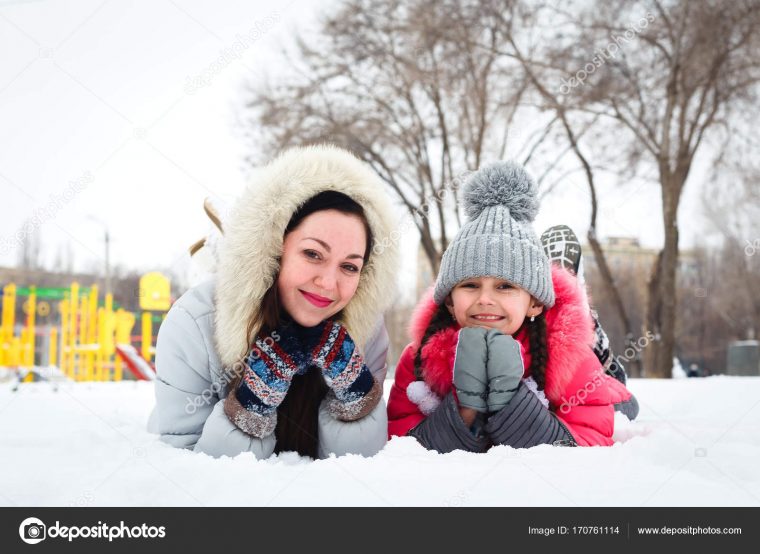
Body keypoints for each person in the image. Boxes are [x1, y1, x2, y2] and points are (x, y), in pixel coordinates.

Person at [148, 145, 399, 459]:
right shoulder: (194, 323)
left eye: (349, 266)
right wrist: (250, 407)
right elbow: (184, 477)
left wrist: (355, 399)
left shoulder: (367, 332)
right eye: (312, 254)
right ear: (274, 249)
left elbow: (359, 473)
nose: (328, 284)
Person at [387, 161, 638, 453]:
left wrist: (511, 400)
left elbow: (591, 439)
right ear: (449, 301)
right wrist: (464, 409)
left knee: (623, 404)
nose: (485, 299)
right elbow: (400, 444)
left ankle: (590, 330)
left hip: (587, 368)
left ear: (534, 303)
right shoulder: (420, 359)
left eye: (505, 286)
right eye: (470, 285)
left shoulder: (568, 356)